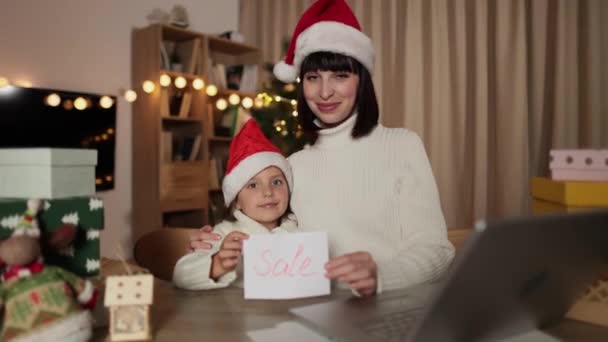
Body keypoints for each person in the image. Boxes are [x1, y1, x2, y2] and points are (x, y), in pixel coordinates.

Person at [189, 0, 454, 297]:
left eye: (340, 76)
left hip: (396, 309)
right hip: (320, 313)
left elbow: (437, 251)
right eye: (313, 78)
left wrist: (380, 277)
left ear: (361, 80)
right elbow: (263, 234)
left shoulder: (403, 145)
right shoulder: (291, 167)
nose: (325, 91)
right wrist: (211, 247)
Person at [173, 119, 297, 290]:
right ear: (236, 201)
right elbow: (181, 275)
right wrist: (217, 264)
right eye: (253, 185)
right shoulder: (224, 235)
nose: (268, 192)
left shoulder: (298, 230)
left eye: (276, 182)